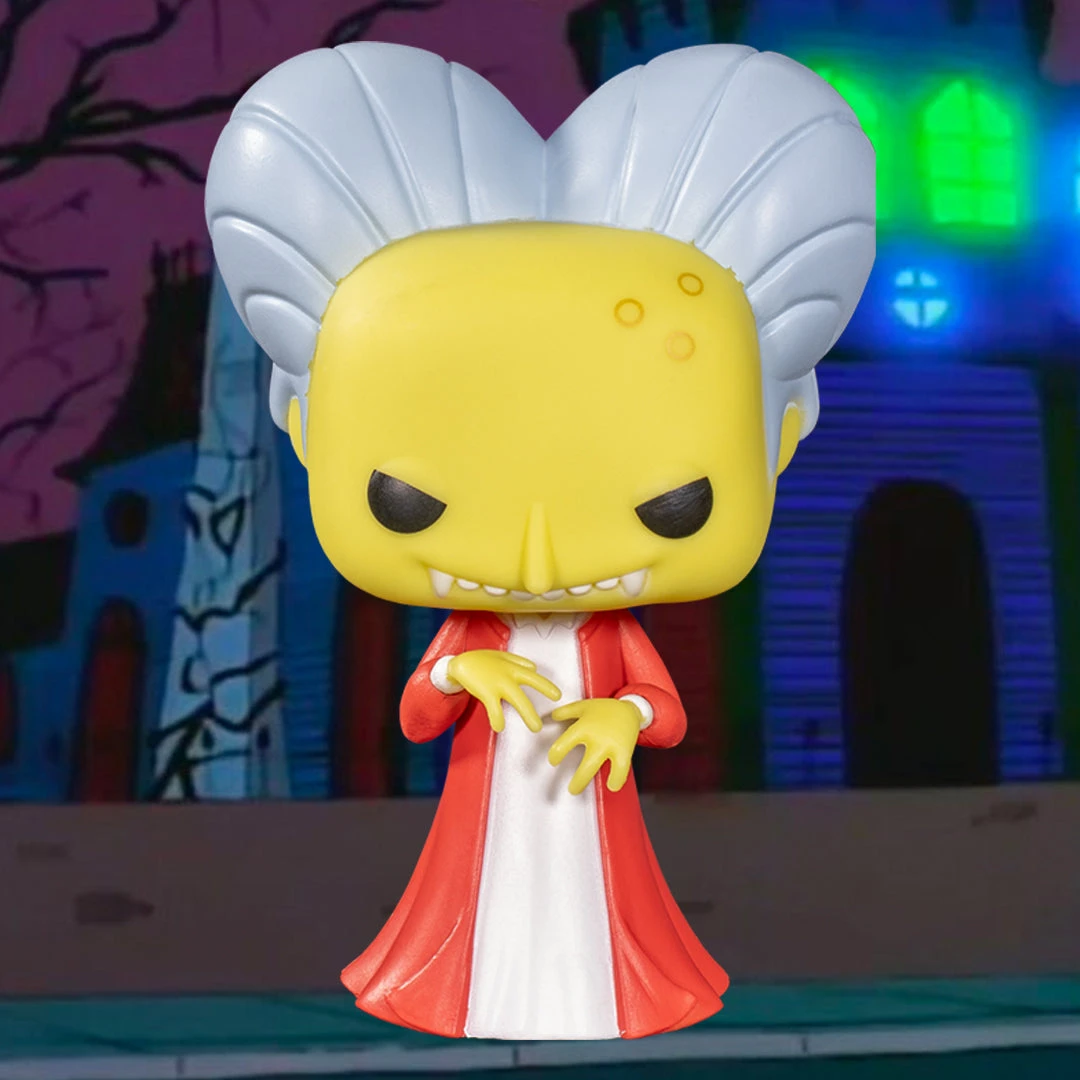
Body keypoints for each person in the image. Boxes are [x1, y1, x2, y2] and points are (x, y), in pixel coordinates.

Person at [205, 40, 875, 1040]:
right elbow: (419, 712)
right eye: (406, 502)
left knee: (595, 901)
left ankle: (601, 992)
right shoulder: (475, 628)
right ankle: (474, 988)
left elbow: (662, 710)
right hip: (490, 800)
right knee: (482, 894)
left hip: (588, 797)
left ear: (783, 430)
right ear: (300, 421)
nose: (538, 560)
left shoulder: (606, 633)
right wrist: (464, 674)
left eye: (673, 506)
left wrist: (621, 720)